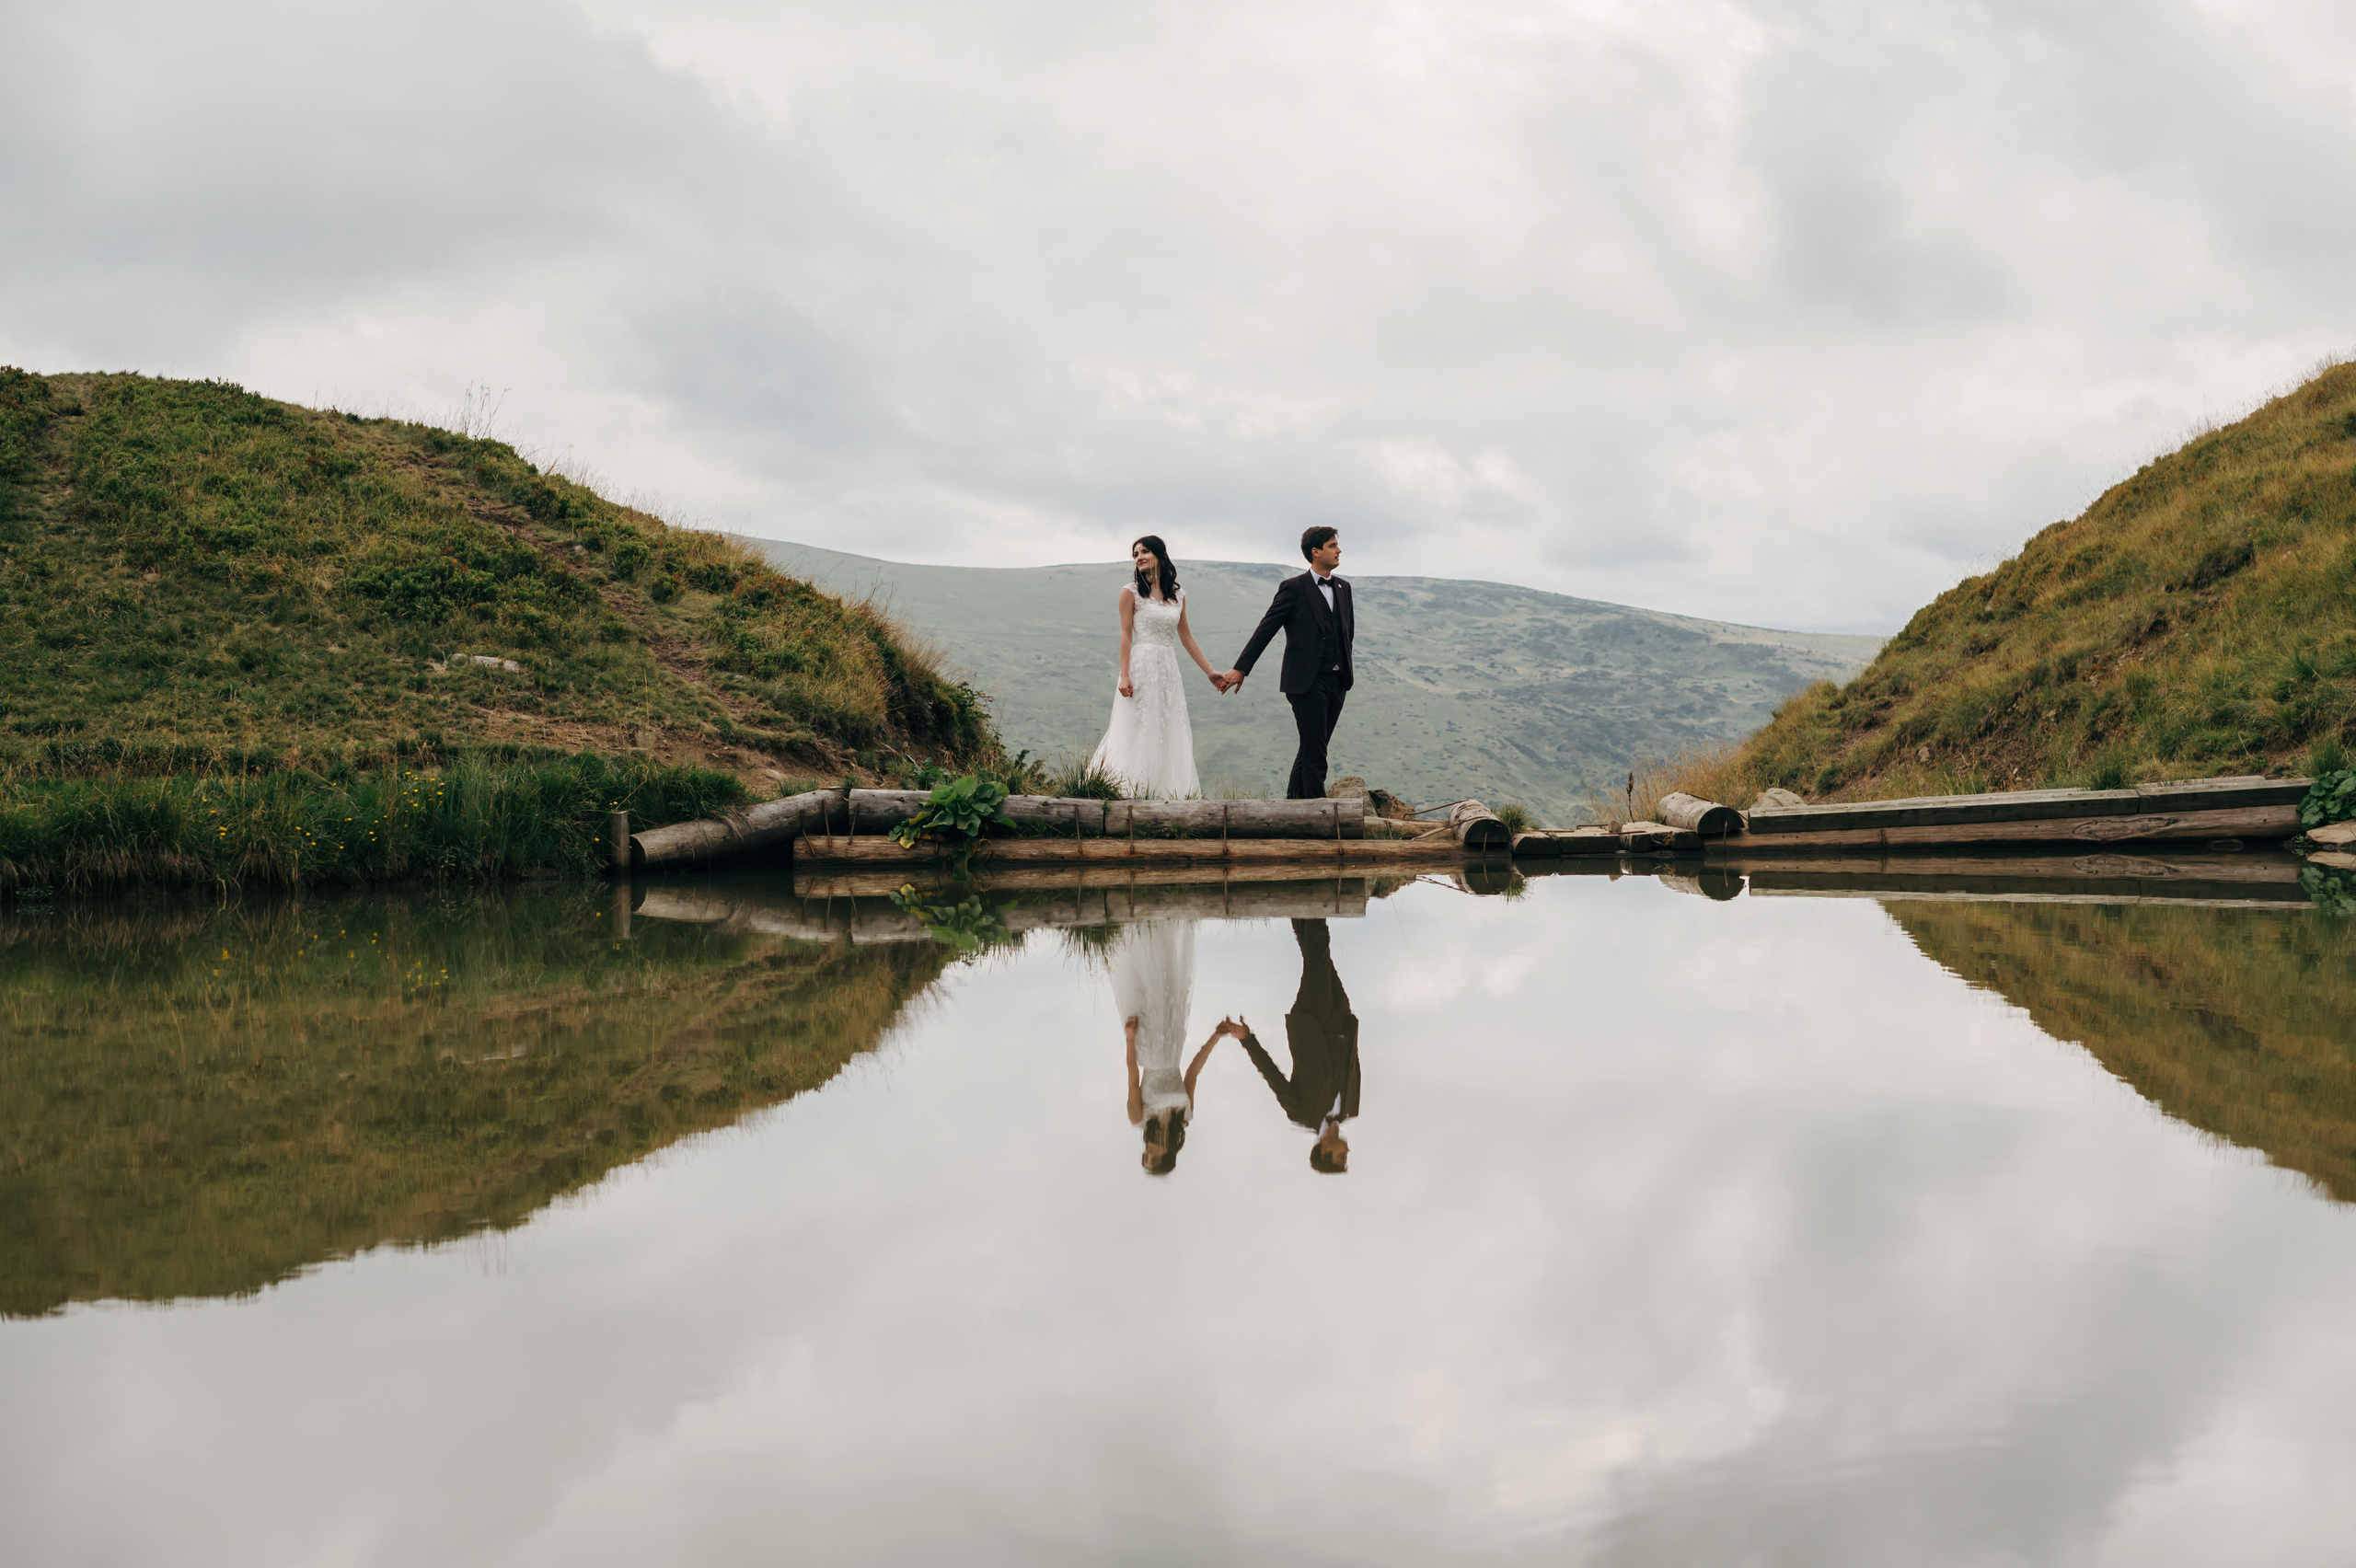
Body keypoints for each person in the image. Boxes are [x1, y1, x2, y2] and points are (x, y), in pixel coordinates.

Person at [1088, 535, 1235, 800]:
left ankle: (1167, 794)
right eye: (1135, 554)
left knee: (1168, 726)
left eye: (1145, 551)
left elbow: (1186, 636)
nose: (1139, 557)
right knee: (1139, 726)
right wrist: (1124, 675)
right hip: (1141, 665)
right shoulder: (1130, 592)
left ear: (1159, 554)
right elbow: (1125, 635)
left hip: (1168, 668)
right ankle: (1125, 791)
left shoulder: (1178, 595)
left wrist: (1209, 671)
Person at [1218, 526, 1353, 800]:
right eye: (1332, 545)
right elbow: (1267, 628)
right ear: (1315, 552)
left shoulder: (1343, 588)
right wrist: (1241, 668)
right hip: (1306, 682)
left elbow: (1347, 633)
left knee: (1312, 748)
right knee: (1316, 753)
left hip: (1338, 681)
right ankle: (1319, 812)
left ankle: (1293, 805)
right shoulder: (1293, 587)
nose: (1339, 550)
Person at [1112, 917, 1243, 1176]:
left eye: (1146, 1155)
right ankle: (1162, 923)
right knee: (1168, 983)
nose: (1149, 1152)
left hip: (1148, 1048)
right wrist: (1216, 1036)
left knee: (1147, 988)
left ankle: (1135, 925)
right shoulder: (1185, 1115)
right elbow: (1193, 1073)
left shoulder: (1138, 1118)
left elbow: (1132, 1079)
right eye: (1154, 1157)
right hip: (1173, 1046)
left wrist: (1130, 1039)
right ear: (1168, 1153)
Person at [1234, 917, 1359, 1174]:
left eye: (1340, 1156)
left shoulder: (1302, 1114)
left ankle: (1316, 905)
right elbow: (1352, 1063)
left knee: (1318, 953)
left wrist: (1247, 1039)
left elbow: (1273, 1077)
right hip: (1340, 1018)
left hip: (1312, 1020)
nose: (1347, 1152)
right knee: (1319, 959)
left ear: (1324, 1150)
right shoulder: (1350, 1109)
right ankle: (1300, 912)